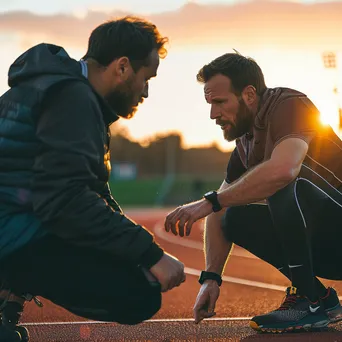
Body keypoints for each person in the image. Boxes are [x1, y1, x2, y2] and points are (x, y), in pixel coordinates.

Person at [0, 16, 186, 340]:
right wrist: (149, 254)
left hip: (12, 221)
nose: (146, 92)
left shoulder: (54, 88)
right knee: (138, 293)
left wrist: (134, 248)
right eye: (146, 78)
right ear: (123, 67)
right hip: (10, 231)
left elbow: (93, 191)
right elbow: (64, 200)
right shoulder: (73, 99)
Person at [164, 52, 342, 333]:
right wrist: (211, 278)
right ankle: (316, 297)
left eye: (220, 102)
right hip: (332, 250)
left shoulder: (290, 105)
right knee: (233, 216)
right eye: (210, 104)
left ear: (248, 94)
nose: (213, 114)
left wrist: (210, 201)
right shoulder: (246, 144)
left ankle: (309, 301)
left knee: (282, 181)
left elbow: (284, 169)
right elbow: (220, 211)